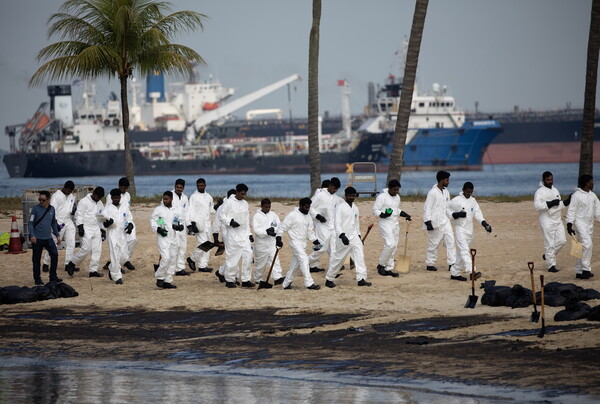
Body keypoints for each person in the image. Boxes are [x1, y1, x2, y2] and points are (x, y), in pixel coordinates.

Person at [325, 187, 371, 287]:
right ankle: (329, 279)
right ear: (346, 196)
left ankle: (361, 279)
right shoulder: (340, 207)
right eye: (349, 196)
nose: (351, 197)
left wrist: (359, 236)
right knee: (338, 259)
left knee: (359, 257)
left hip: (354, 237)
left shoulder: (355, 208)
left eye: (353, 196)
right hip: (343, 238)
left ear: (355, 196)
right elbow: (337, 223)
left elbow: (356, 224)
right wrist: (342, 235)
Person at [448, 182, 492, 281]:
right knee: (464, 251)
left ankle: (454, 272)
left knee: (461, 253)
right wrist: (456, 214)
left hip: (469, 230)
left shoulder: (473, 201)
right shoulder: (456, 200)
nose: (469, 194)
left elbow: (478, 214)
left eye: (471, 192)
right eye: (467, 192)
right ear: (463, 190)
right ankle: (472, 272)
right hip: (460, 229)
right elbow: (447, 210)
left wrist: (485, 224)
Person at [277, 198, 321, 290]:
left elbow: (310, 231)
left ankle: (286, 284)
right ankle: (309, 283)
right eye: (306, 207)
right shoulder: (292, 215)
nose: (307, 209)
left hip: (303, 244)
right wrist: (278, 238)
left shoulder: (308, 216)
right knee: (304, 260)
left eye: (309, 207)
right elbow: (282, 227)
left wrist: (315, 241)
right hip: (295, 242)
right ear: (300, 206)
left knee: (295, 266)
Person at [372, 179, 412, 277]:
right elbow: (375, 210)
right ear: (389, 188)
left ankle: (388, 268)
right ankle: (381, 265)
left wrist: (405, 214)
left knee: (394, 246)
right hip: (385, 223)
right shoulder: (382, 197)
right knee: (390, 244)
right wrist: (383, 214)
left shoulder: (397, 197)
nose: (396, 192)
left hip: (395, 223)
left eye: (397, 190)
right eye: (394, 190)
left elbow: (397, 210)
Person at [566, 174, 600, 280]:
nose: (593, 183)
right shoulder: (576, 196)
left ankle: (579, 271)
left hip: (589, 224)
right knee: (587, 244)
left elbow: (598, 211)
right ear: (586, 183)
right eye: (591, 181)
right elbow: (571, 210)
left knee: (581, 247)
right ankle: (586, 270)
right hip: (580, 223)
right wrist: (569, 224)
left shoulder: (593, 196)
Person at [533, 171, 569, 273]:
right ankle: (551, 265)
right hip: (546, 219)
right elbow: (537, 206)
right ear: (544, 180)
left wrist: (567, 201)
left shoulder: (556, 190)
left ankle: (548, 255)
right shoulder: (539, 192)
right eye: (548, 180)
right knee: (549, 243)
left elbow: (559, 205)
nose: (550, 181)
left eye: (551, 179)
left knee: (562, 241)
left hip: (557, 219)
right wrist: (550, 203)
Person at [219, 184, 253, 288]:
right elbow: (221, 216)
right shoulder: (228, 202)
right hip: (232, 235)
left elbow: (247, 220)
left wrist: (249, 234)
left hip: (244, 235)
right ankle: (230, 280)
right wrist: (230, 222)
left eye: (245, 194)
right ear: (237, 192)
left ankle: (246, 280)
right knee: (232, 258)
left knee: (248, 256)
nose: (243, 196)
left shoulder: (245, 203)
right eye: (242, 193)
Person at [67, 187, 105, 278]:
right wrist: (80, 226)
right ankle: (72, 263)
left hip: (96, 228)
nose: (98, 199)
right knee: (86, 248)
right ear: (94, 193)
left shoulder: (100, 203)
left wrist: (102, 229)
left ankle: (93, 270)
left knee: (97, 250)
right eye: (98, 197)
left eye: (100, 198)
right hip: (86, 228)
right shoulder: (84, 201)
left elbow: (101, 216)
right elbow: (78, 214)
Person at [423, 171, 456, 272]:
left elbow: (447, 208)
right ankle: (430, 264)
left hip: (445, 221)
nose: (448, 182)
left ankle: (452, 263)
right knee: (434, 244)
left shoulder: (446, 192)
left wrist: (453, 215)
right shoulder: (432, 192)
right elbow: (427, 208)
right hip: (435, 223)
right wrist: (427, 222)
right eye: (447, 180)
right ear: (441, 180)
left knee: (451, 242)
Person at [151, 191, 183, 289]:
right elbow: (153, 221)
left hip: (173, 237)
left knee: (173, 259)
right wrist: (158, 229)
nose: (165, 201)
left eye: (167, 199)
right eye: (164, 199)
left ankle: (167, 281)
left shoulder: (176, 210)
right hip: (163, 238)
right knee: (165, 258)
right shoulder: (158, 209)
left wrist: (180, 226)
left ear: (171, 199)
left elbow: (180, 221)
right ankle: (160, 277)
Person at [42, 181, 76, 274]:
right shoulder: (57, 195)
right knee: (54, 244)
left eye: (71, 191)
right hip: (58, 222)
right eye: (68, 190)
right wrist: (54, 223)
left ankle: (68, 264)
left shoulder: (71, 196)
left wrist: (73, 211)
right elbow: (52, 210)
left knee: (71, 243)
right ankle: (46, 263)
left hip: (69, 221)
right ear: (64, 187)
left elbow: (71, 207)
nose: (69, 192)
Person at [308, 177, 341, 272]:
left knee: (333, 250)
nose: (335, 190)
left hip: (332, 227)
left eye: (337, 189)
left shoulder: (335, 198)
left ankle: (332, 271)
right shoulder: (320, 195)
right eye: (334, 188)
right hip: (321, 225)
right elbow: (309, 207)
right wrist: (317, 216)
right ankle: (305, 262)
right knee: (321, 247)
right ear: (330, 186)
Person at [29, 190, 62, 285]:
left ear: (49, 200)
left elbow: (53, 223)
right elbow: (30, 223)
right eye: (39, 200)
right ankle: (37, 279)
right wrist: (32, 235)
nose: (41, 202)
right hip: (37, 239)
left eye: (43, 200)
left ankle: (53, 276)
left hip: (48, 238)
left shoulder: (52, 209)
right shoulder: (35, 209)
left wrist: (57, 235)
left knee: (55, 255)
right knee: (36, 259)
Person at [101, 188, 133, 284]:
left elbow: (128, 218)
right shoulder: (107, 209)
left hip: (122, 232)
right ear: (111, 198)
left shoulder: (125, 207)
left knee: (123, 255)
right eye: (114, 198)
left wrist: (130, 225)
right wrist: (107, 224)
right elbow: (102, 223)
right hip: (112, 233)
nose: (116, 199)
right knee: (114, 254)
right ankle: (116, 276)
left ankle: (111, 267)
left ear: (120, 197)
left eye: (117, 197)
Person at [104, 177, 137, 271]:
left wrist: (130, 223)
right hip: (115, 224)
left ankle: (125, 260)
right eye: (123, 187)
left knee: (133, 240)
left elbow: (127, 210)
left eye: (126, 188)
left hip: (126, 219)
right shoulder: (111, 195)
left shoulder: (128, 195)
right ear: (119, 186)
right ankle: (118, 264)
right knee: (117, 245)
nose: (125, 189)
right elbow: (108, 211)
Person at [252, 198, 284, 286]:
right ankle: (258, 279)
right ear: (262, 206)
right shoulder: (256, 216)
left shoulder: (273, 215)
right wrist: (266, 232)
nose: (268, 208)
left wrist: (275, 232)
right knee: (261, 264)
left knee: (275, 260)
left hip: (271, 242)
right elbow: (257, 230)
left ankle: (277, 278)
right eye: (266, 207)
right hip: (261, 244)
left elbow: (278, 225)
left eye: (269, 207)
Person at [187, 178, 214, 273]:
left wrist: (217, 207)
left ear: (205, 185)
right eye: (198, 186)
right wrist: (192, 223)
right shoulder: (193, 197)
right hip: (198, 224)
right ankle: (192, 259)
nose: (200, 187)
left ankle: (203, 265)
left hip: (207, 224)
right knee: (203, 243)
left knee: (209, 244)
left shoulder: (209, 197)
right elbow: (190, 211)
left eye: (202, 185)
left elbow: (211, 210)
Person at [213, 189, 236, 283]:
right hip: (226, 234)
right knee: (232, 255)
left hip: (237, 234)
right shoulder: (222, 207)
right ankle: (229, 275)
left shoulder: (237, 206)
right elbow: (216, 223)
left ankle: (221, 271)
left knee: (235, 255)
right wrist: (215, 238)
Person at [169, 179, 190, 277]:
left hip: (182, 225)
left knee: (182, 246)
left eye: (181, 187)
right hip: (172, 225)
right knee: (173, 248)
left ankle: (180, 268)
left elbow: (187, 212)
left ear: (183, 188)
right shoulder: (169, 195)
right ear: (175, 186)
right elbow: (164, 211)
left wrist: (188, 225)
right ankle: (171, 269)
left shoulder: (185, 198)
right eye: (177, 187)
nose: (179, 189)